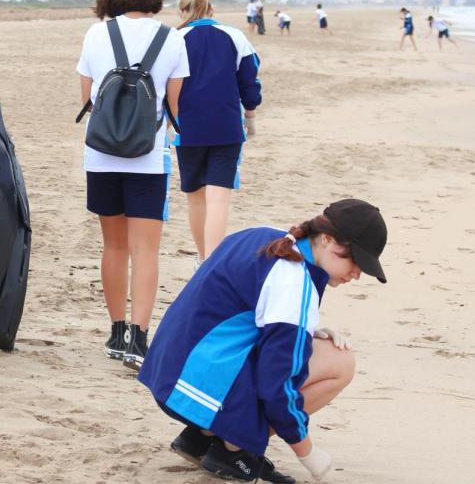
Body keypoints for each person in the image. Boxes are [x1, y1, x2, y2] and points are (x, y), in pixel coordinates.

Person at [138, 199, 388, 483]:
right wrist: (306, 451)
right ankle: (233, 448)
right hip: (196, 387)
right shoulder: (294, 280)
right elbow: (277, 385)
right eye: (355, 259)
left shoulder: (267, 235)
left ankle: (200, 437)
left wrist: (305, 331)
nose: (357, 274)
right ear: (328, 239)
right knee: (340, 362)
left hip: (166, 371)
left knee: (309, 352)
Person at [76, 0, 189, 370]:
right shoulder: (171, 39)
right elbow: (175, 106)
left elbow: (87, 97)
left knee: (114, 245)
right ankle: (139, 339)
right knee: (146, 250)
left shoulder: (97, 34)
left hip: (102, 154)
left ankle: (115, 330)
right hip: (148, 155)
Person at [175, 0, 261, 273]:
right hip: (226, 127)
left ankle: (202, 259)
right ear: (211, 10)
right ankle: (212, 262)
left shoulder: (175, 39)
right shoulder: (235, 36)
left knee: (195, 196)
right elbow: (249, 80)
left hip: (187, 128)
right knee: (219, 197)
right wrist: (250, 112)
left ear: (182, 12)